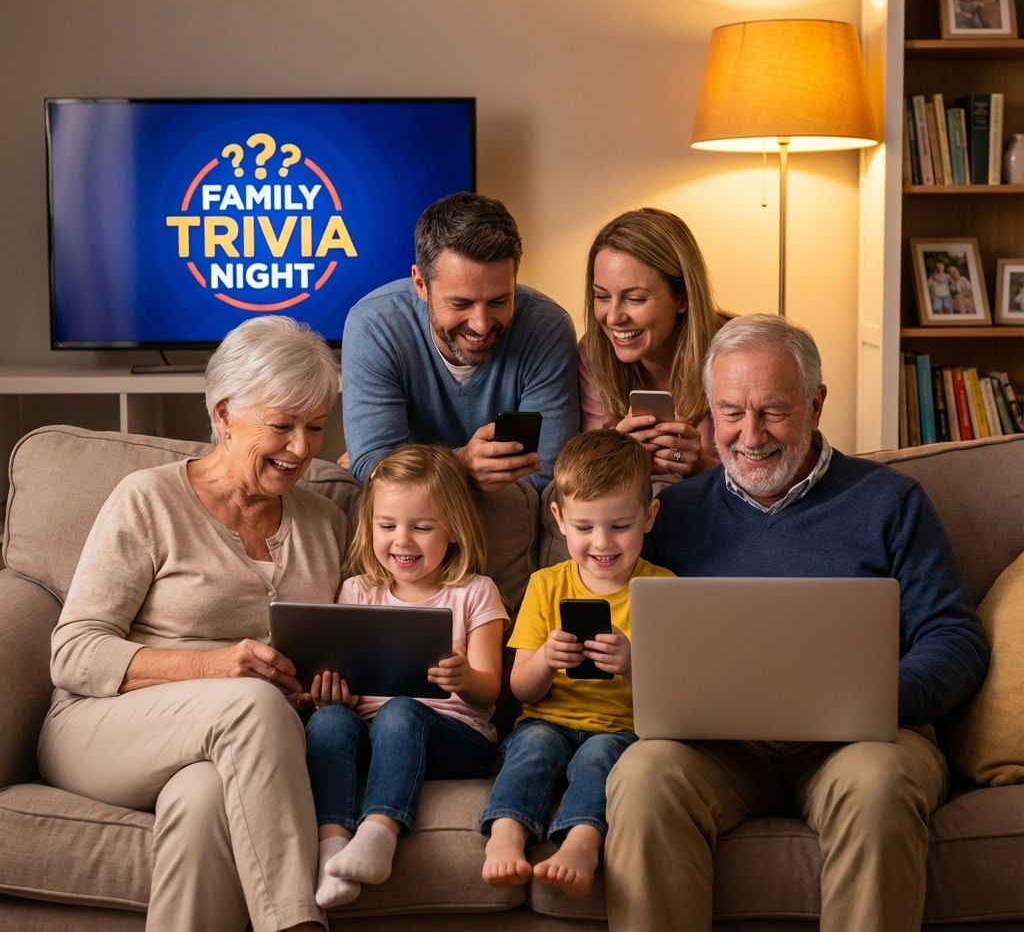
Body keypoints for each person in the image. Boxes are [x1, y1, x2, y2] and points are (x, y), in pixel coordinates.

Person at [602, 313, 989, 932]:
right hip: (718, 749)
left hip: (858, 743)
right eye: (730, 412)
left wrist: (880, 697)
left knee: (880, 786)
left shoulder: (891, 501)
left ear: (816, 403)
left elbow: (955, 637)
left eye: (772, 411)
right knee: (642, 778)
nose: (749, 435)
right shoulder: (667, 514)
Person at [38, 315, 349, 932]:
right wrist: (215, 665)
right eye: (280, 425)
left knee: (205, 802)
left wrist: (325, 685)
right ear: (225, 413)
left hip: (236, 748)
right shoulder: (148, 499)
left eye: (314, 427)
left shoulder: (324, 521)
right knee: (251, 704)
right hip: (101, 726)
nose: (300, 448)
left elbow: (323, 644)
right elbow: (72, 653)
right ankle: (297, 924)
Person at [305, 444, 508, 909]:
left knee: (401, 710)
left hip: (455, 738)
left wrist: (463, 678)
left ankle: (380, 832)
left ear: (454, 530)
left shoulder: (475, 592)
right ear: (370, 526)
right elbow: (342, 679)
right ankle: (333, 847)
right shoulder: (358, 591)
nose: (403, 541)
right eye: (388, 525)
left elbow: (489, 691)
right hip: (372, 732)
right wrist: (331, 696)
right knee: (328, 724)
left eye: (422, 527)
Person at [479, 429, 671, 898]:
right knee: (535, 748)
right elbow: (521, 690)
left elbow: (674, 700)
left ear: (649, 516)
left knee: (601, 757)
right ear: (559, 520)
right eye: (584, 528)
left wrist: (632, 663)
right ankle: (505, 835)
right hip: (547, 719)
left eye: (619, 526)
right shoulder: (546, 584)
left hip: (621, 730)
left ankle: (581, 845)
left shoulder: (663, 590)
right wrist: (545, 659)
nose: (601, 543)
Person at [342, 192, 579, 493]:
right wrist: (458, 465)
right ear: (421, 285)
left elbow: (547, 476)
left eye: (499, 300)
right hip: (411, 520)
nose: (481, 324)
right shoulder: (375, 325)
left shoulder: (547, 328)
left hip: (513, 516)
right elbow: (372, 468)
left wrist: (422, 473)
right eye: (460, 303)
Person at [578, 208, 727, 483]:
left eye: (634, 299)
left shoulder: (736, 353)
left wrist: (705, 468)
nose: (613, 318)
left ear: (682, 297)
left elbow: (774, 481)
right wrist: (616, 456)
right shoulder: (593, 353)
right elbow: (586, 486)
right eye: (601, 296)